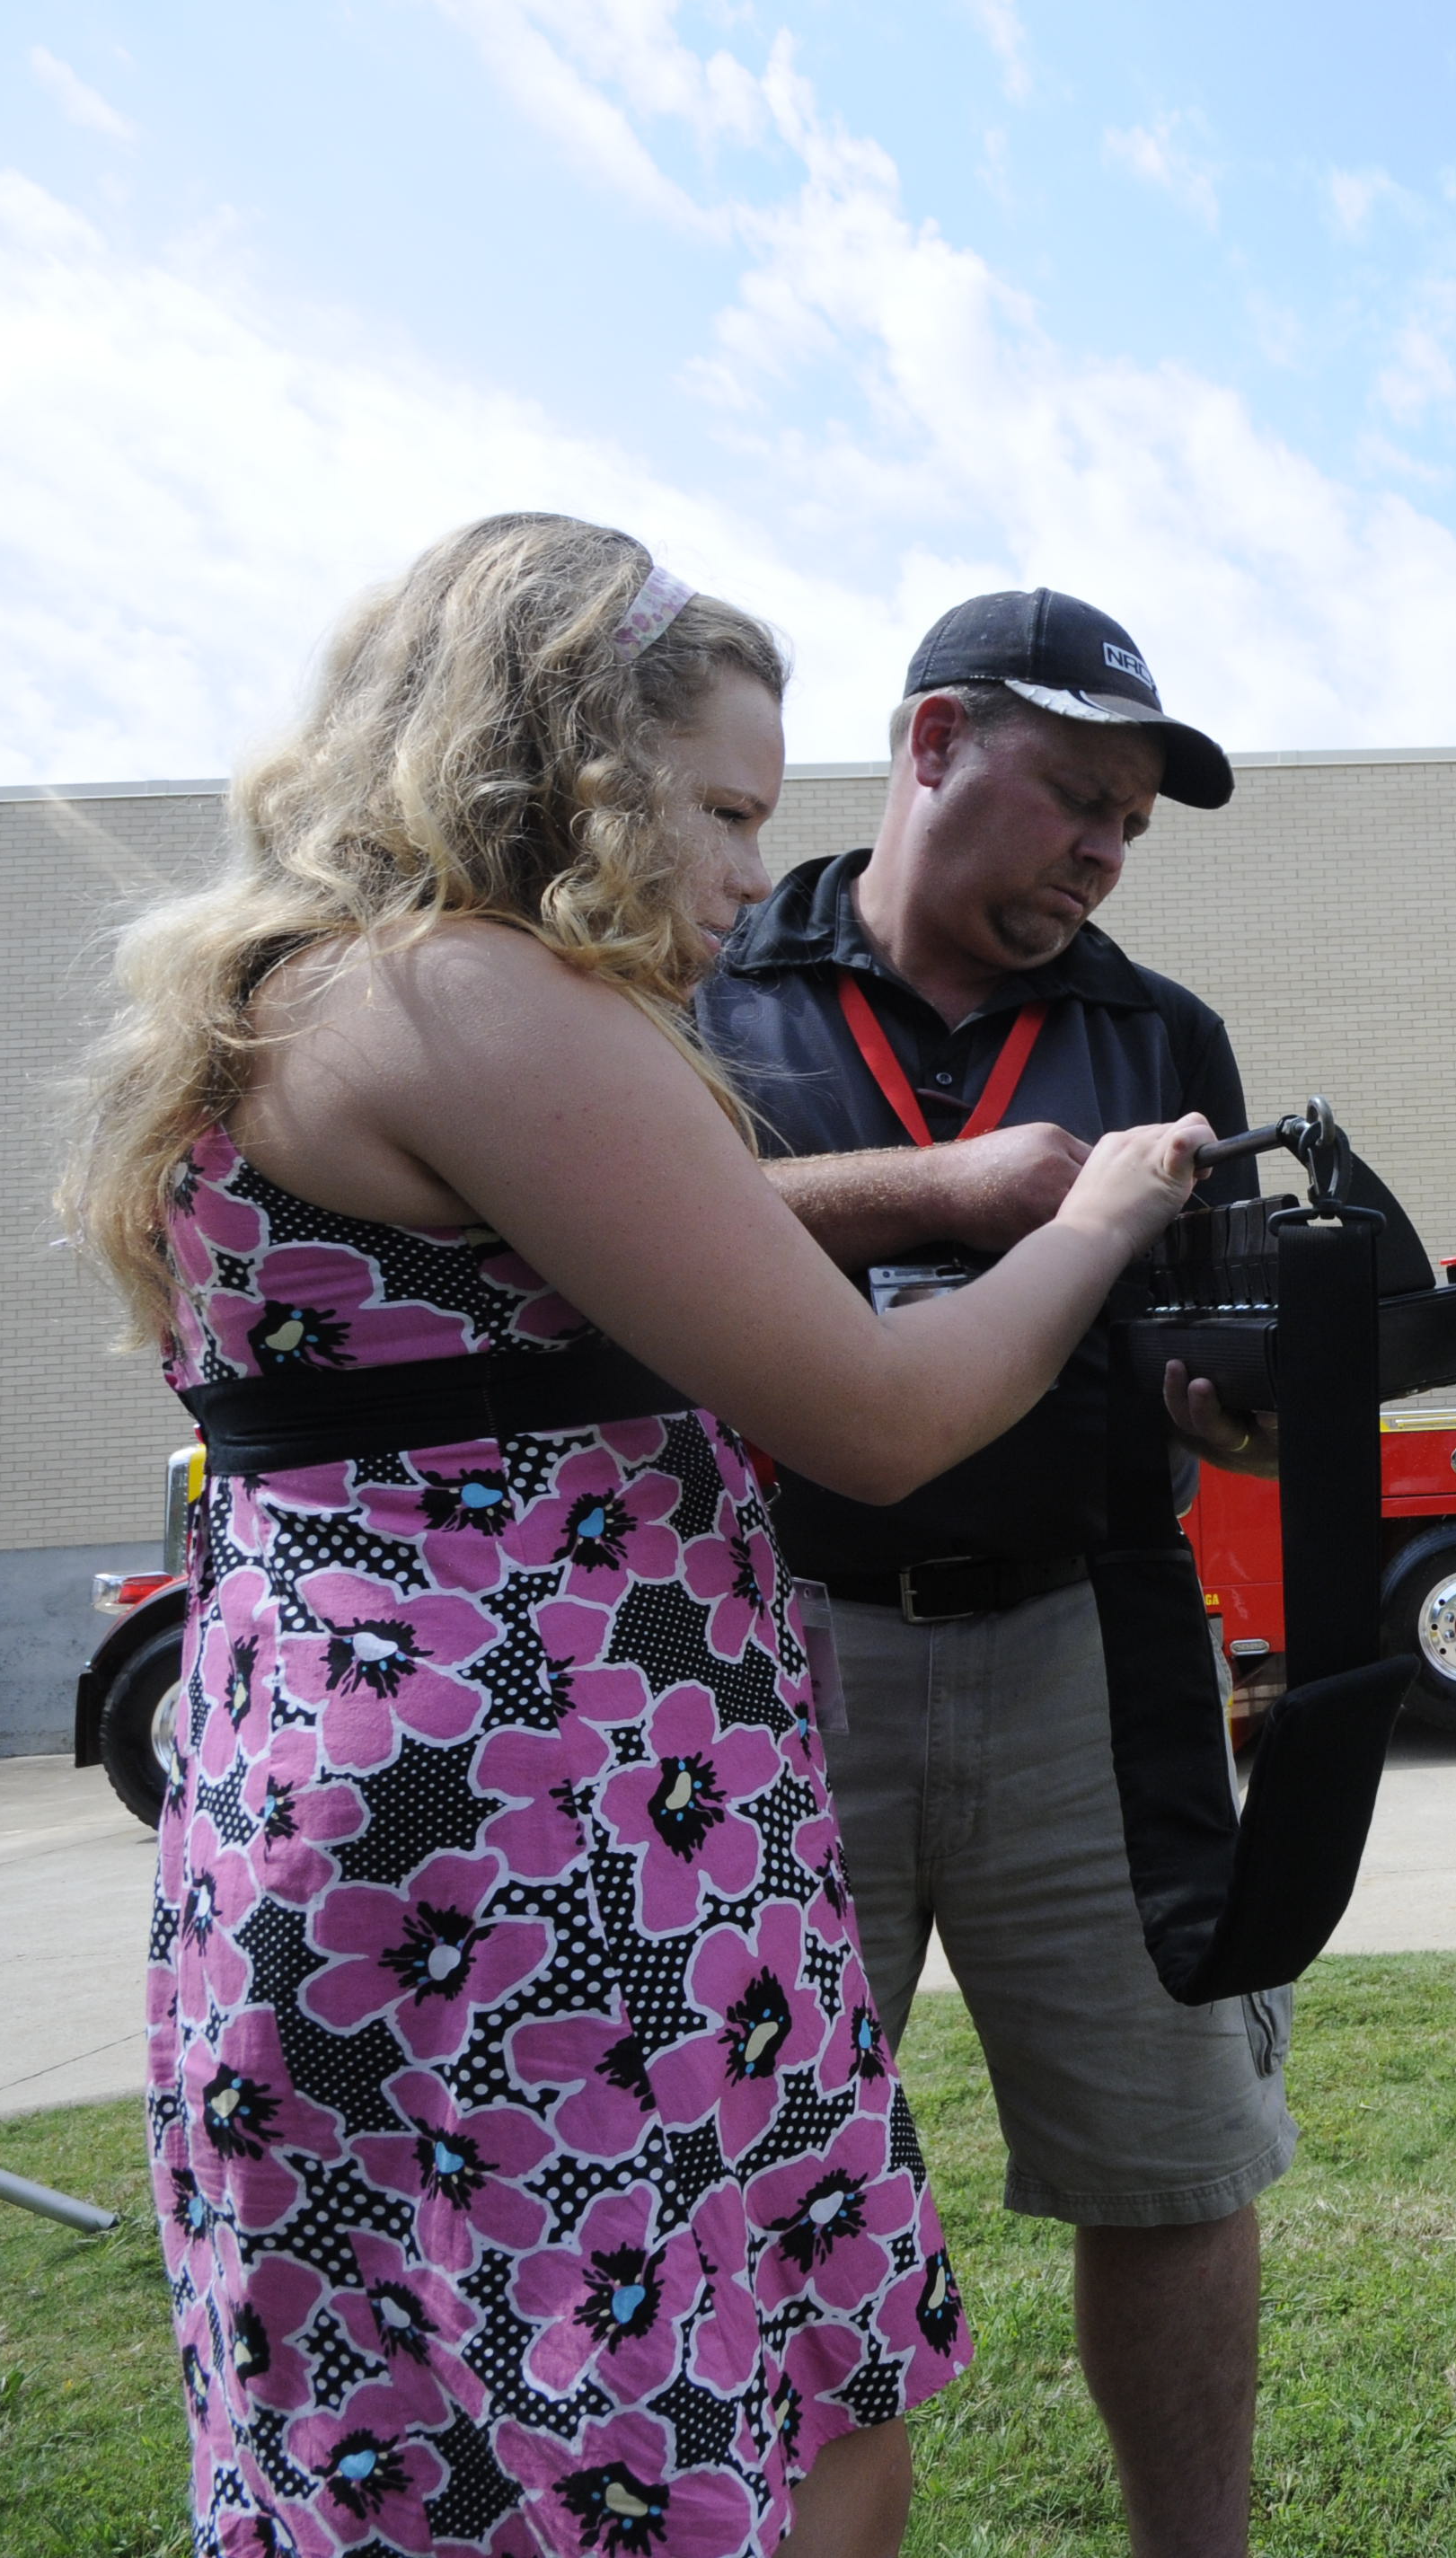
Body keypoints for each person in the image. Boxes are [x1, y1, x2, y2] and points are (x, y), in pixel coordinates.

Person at [66, 516, 1209, 2557]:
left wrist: (935, 1199)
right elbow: (877, 1413)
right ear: (562, 758)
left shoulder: (296, 993)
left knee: (453, 2426)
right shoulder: (485, 997)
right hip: (549, 1857)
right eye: (716, 806)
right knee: (706, 2417)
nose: (746, 869)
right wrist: (1105, 1209)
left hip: (378, 1824)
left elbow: (585, 1271)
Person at [692, 589, 1287, 2558]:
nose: (1106, 851)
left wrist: (1241, 1399)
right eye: (1079, 798)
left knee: (1175, 2160)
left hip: (1085, 1656)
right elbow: (600, 1200)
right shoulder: (701, 976)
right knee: (742, 2179)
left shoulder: (1159, 1030)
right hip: (756, 1669)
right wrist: (943, 1190)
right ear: (935, 741)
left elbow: (1209, 1350)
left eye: (1132, 821)